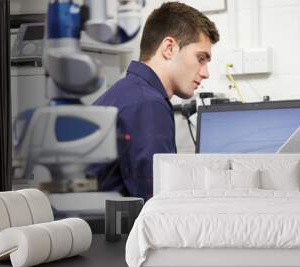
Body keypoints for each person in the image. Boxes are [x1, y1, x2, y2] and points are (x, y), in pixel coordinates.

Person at [90, 2, 219, 201]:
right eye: (200, 58)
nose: (205, 73)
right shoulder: (147, 104)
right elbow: (160, 204)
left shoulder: (129, 93)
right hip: (95, 231)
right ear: (169, 48)